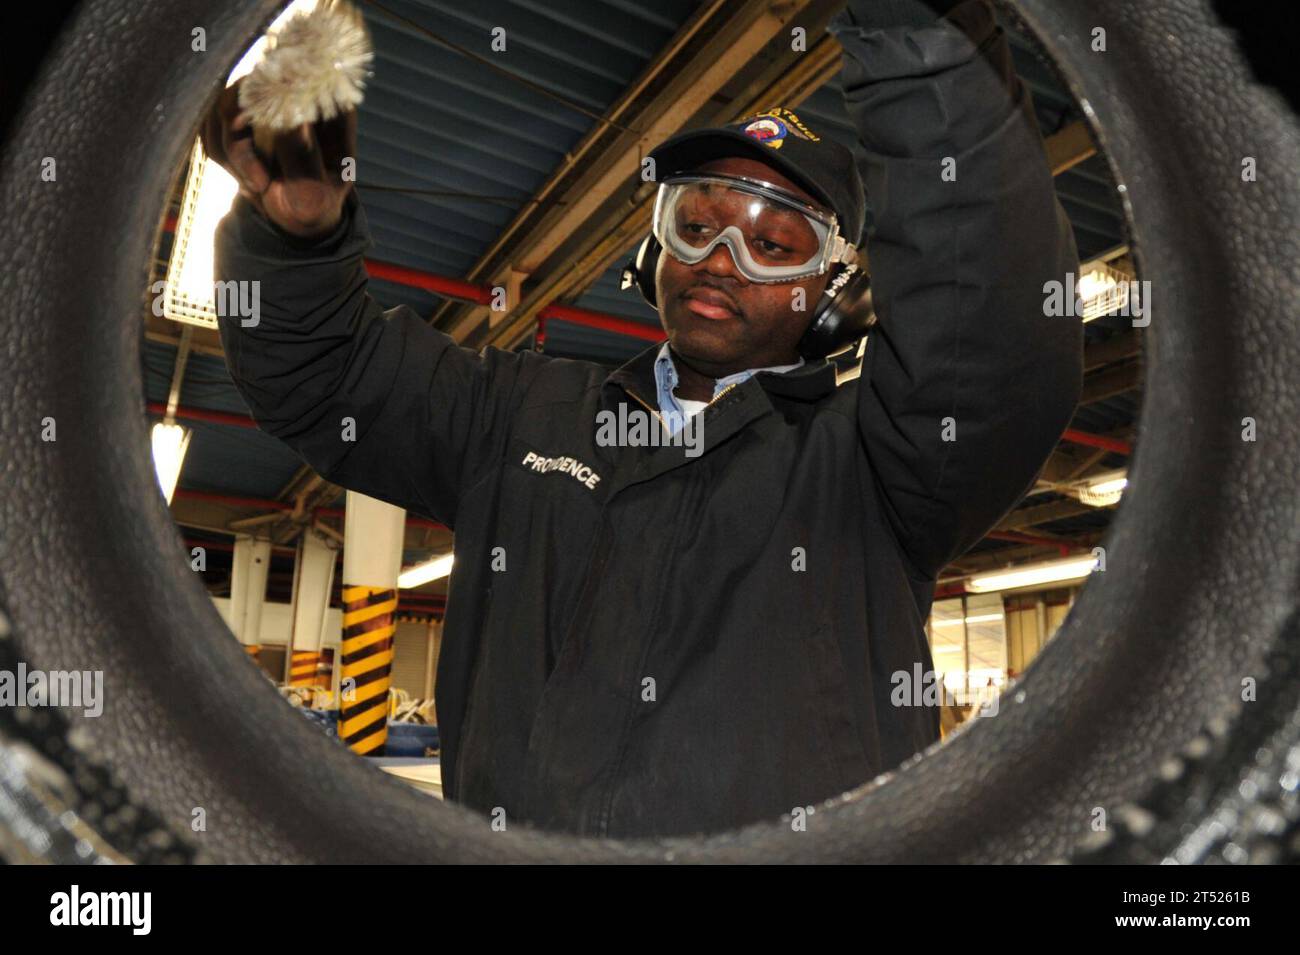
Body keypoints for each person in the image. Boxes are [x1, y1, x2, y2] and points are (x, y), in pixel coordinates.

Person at [202, 0, 1082, 837]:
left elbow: (988, 323)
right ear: (651, 251)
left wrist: (917, 31)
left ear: (834, 293)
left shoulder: (878, 463)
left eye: (774, 245)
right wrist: (297, 239)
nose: (721, 261)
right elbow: (325, 376)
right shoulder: (515, 414)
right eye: (695, 224)